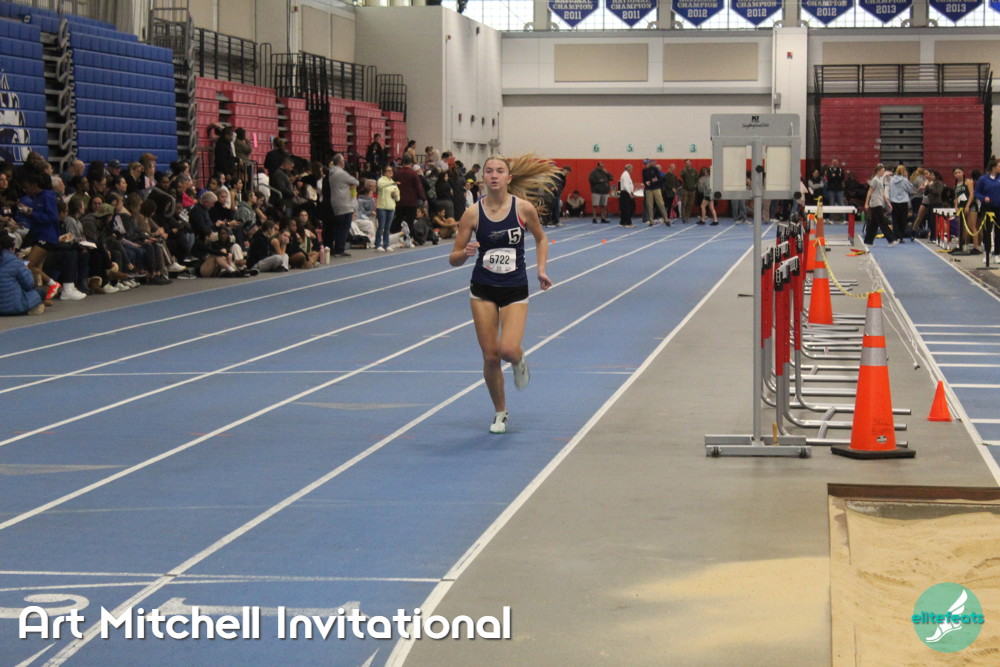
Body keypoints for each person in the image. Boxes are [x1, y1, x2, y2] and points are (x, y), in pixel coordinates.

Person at [448, 155, 558, 434]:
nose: (494, 175)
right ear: (483, 177)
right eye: (489, 171)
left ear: (509, 178)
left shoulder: (523, 208)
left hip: (514, 288)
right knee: (490, 356)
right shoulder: (472, 213)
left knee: (508, 350)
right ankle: (500, 412)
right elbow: (453, 258)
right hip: (482, 288)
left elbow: (541, 238)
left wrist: (541, 269)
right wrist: (465, 253)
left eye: (499, 171)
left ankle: (519, 360)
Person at [0, 231, 45, 315]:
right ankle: (32, 307)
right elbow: (29, 285)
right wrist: (26, 269)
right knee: (41, 292)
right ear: (11, 248)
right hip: (15, 306)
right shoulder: (15, 262)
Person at [326, 153, 359, 258]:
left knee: (338, 227)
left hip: (335, 203)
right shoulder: (341, 173)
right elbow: (356, 182)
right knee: (344, 228)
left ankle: (337, 248)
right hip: (344, 204)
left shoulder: (331, 172)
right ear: (341, 162)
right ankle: (339, 250)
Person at [863, 164, 897, 247]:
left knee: (874, 224)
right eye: (882, 171)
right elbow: (869, 191)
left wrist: (888, 203)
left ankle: (868, 241)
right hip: (875, 203)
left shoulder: (880, 180)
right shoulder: (875, 180)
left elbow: (882, 193)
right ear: (878, 171)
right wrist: (866, 203)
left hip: (879, 202)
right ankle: (891, 240)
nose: (883, 172)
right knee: (883, 222)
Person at [974, 158, 1000, 258]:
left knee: (998, 231)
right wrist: (984, 198)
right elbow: (976, 192)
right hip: (987, 207)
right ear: (993, 167)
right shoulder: (983, 179)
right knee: (987, 230)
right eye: (999, 166)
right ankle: (987, 252)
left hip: (998, 207)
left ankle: (997, 253)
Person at [952, 167, 980, 255]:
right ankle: (964, 245)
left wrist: (968, 205)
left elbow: (972, 194)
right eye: (956, 173)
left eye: (959, 172)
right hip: (961, 207)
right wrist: (956, 206)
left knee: (972, 226)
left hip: (971, 206)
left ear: (963, 173)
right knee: (963, 227)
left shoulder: (967, 182)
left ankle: (976, 247)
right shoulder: (956, 184)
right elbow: (956, 197)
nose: (958, 174)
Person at [375, 166, 399, 252]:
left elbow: (398, 198)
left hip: (391, 207)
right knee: (381, 226)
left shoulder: (394, 183)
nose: (390, 172)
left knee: (388, 227)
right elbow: (380, 185)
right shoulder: (381, 180)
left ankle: (386, 244)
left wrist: (395, 196)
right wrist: (392, 184)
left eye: (391, 170)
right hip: (382, 207)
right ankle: (378, 244)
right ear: (384, 172)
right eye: (388, 170)